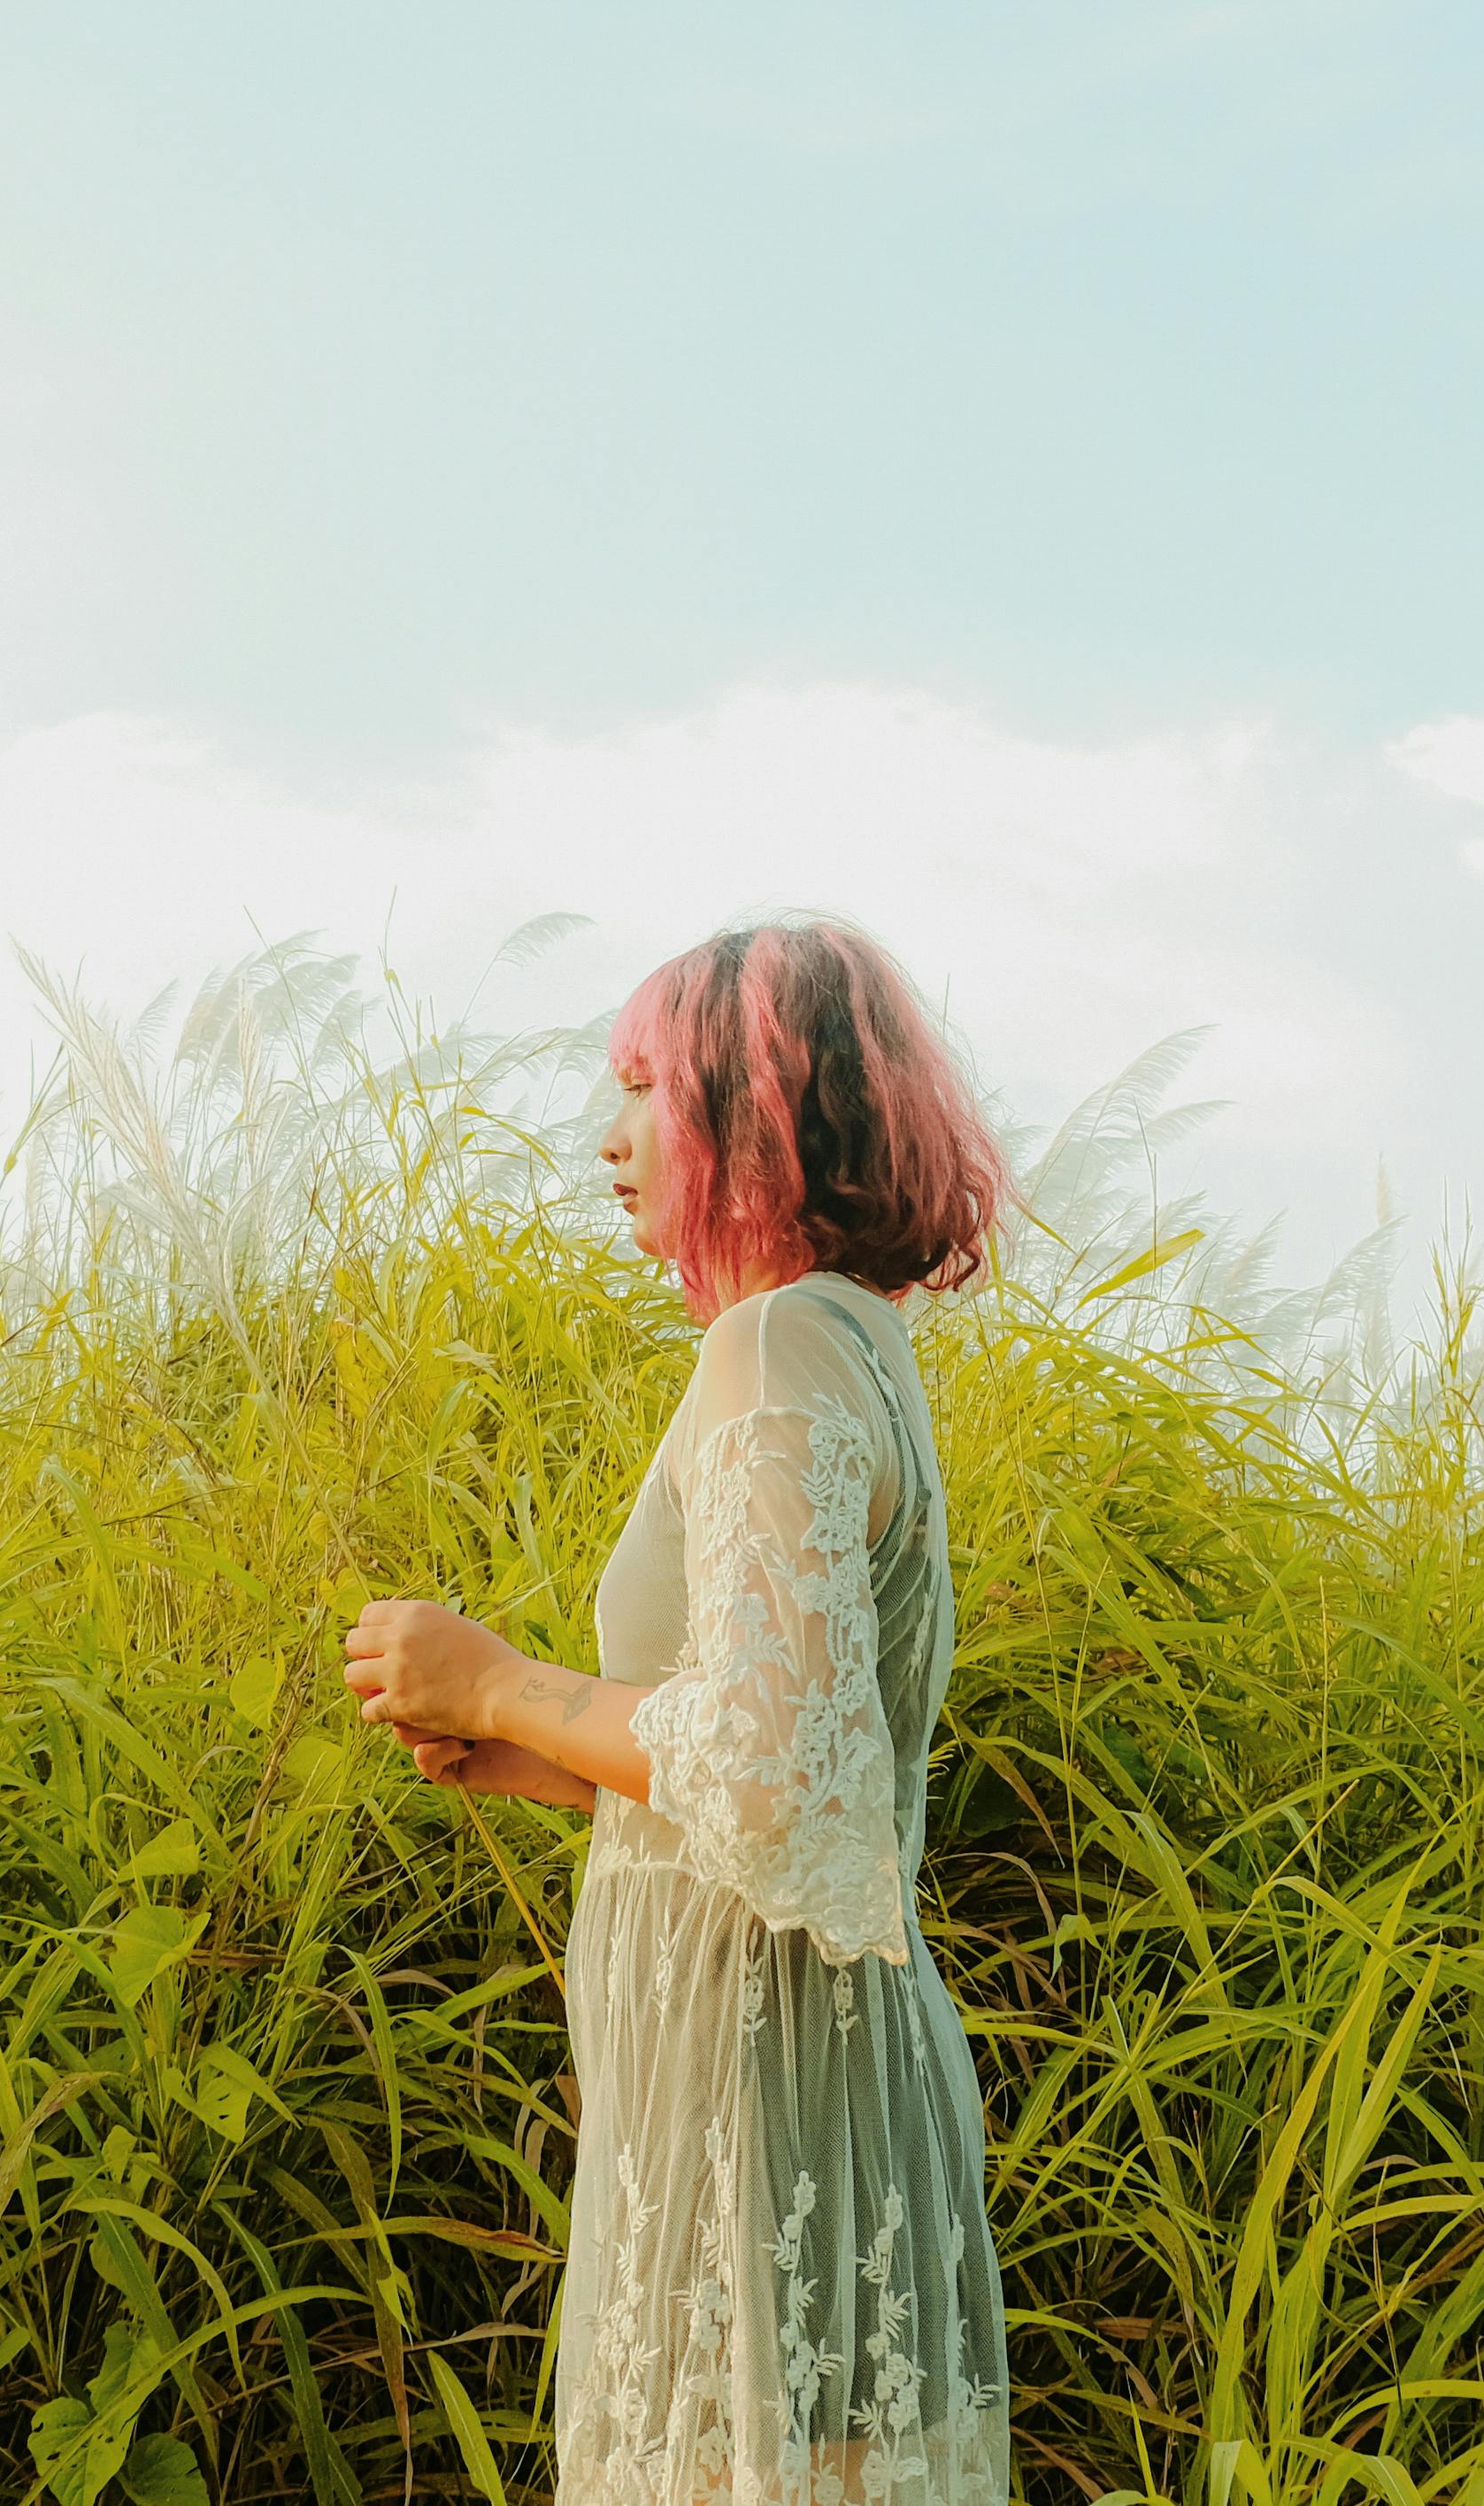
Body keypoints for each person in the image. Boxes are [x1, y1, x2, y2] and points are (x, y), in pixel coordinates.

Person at [339, 921, 1014, 2506]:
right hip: (780, 2073)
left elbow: (776, 1772)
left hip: (762, 2087)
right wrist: (551, 1766)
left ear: (755, 1115)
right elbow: (812, 1775)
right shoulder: (853, 1344)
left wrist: (506, 1678)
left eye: (647, 1084)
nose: (608, 1133)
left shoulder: (777, 1348)